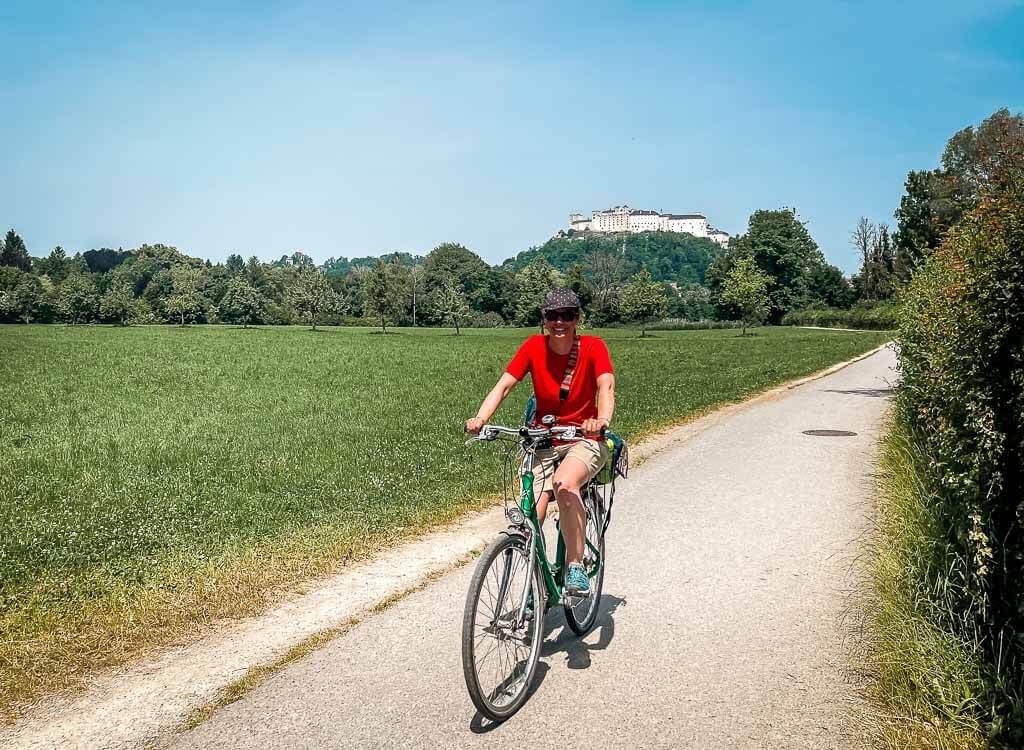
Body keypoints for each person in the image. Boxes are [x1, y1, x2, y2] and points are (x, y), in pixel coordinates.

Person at [466, 288, 615, 595]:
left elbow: (606, 385)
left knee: (564, 484)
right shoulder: (534, 347)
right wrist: (480, 418)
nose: (559, 322)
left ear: (577, 318)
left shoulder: (593, 347)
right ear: (544, 319)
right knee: (530, 515)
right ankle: (538, 581)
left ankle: (575, 566)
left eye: (567, 315)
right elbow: (505, 385)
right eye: (552, 315)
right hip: (543, 439)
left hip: (584, 438)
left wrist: (601, 420)